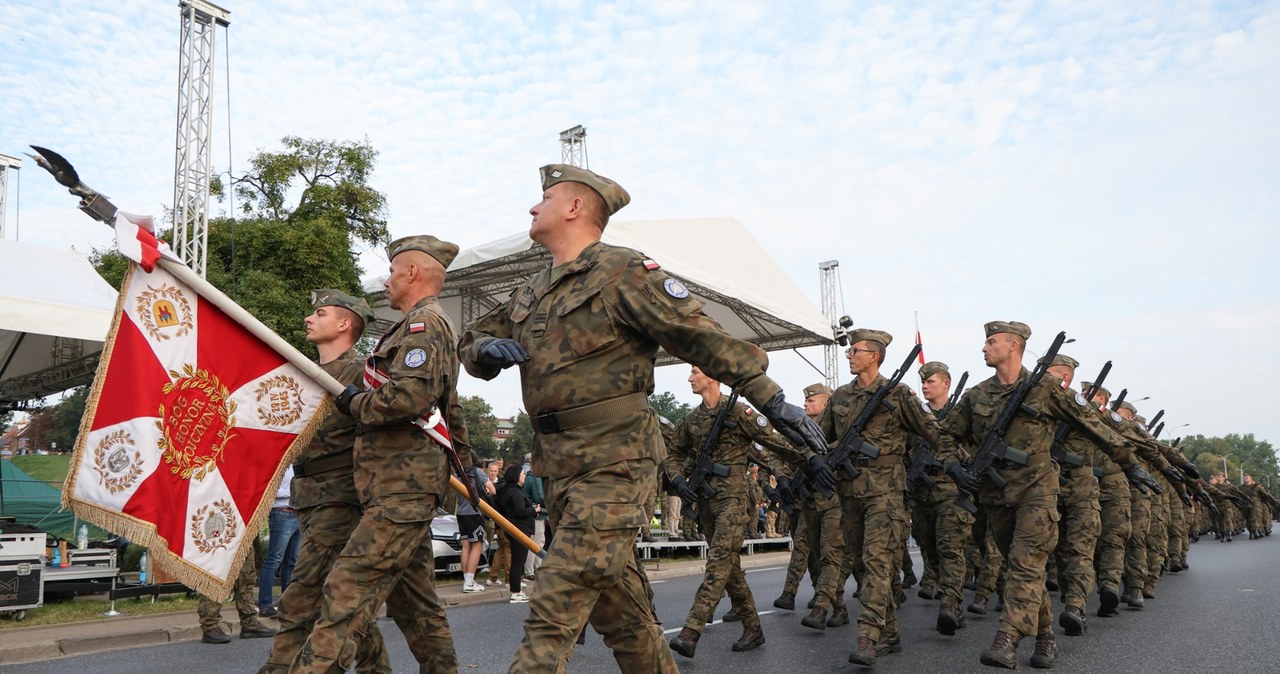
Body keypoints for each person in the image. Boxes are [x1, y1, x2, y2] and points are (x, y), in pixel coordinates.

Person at [458, 163, 834, 674]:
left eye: (542, 198)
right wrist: (484, 348)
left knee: (555, 598)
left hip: (616, 461)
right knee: (623, 615)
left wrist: (770, 397)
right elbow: (470, 341)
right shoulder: (530, 289)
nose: (531, 207)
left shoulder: (624, 271)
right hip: (559, 466)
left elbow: (697, 333)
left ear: (573, 208)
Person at [293, 235, 467, 674]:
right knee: (415, 607)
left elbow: (407, 399)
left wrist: (353, 402)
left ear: (411, 273)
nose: (387, 280)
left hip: (402, 489)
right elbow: (451, 408)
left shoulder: (424, 326)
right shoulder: (409, 326)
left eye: (392, 271)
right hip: (396, 487)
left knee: (345, 593)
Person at [941, 321, 1155, 670]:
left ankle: (1007, 639)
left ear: (1014, 346)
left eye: (991, 342)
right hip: (996, 495)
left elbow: (1092, 424)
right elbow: (946, 436)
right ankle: (1045, 637)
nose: (984, 347)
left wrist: (1130, 464)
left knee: (1025, 564)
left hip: (1038, 490)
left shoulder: (1045, 388)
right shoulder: (977, 395)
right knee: (1024, 568)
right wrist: (954, 467)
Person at [256, 290, 389, 674]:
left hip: (340, 498)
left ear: (345, 324)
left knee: (303, 595)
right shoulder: (303, 373)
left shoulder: (360, 373)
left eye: (320, 313)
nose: (308, 320)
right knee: (345, 605)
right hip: (308, 497)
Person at [821, 330, 962, 667]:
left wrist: (956, 465)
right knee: (860, 563)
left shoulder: (898, 395)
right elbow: (820, 436)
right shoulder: (840, 396)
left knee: (877, 562)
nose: (849, 354)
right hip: (849, 491)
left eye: (856, 350)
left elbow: (934, 432)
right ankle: (890, 633)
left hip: (886, 492)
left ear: (875, 356)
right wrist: (817, 460)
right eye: (849, 350)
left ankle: (867, 637)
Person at [664, 366, 815, 658]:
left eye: (695, 372)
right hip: (706, 499)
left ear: (712, 376)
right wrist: (679, 479)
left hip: (733, 498)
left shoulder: (739, 413)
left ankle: (691, 629)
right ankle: (753, 628)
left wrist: (812, 461)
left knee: (718, 559)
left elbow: (775, 443)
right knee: (729, 567)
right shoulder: (692, 419)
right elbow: (674, 454)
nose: (690, 378)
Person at [909, 361, 974, 638]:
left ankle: (950, 605)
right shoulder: (915, 417)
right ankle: (941, 590)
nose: (925, 386)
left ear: (946, 384)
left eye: (930, 382)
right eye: (923, 382)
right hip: (922, 494)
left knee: (950, 549)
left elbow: (975, 451)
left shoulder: (961, 415)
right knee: (930, 549)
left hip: (951, 490)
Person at [200, 555, 277, 644]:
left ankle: (249, 622)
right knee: (217, 574)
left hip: (243, 541)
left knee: (246, 575)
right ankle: (210, 625)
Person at [259, 465, 301, 617]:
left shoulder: (296, 464)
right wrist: (291, 493)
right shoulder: (279, 463)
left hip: (297, 513)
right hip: (281, 512)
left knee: (291, 562)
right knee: (274, 559)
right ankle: (265, 604)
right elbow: (268, 489)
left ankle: (287, 603)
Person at [497, 463, 539, 602]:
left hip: (516, 529)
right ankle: (515, 592)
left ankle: (516, 588)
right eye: (522, 474)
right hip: (519, 530)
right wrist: (534, 510)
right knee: (518, 562)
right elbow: (520, 511)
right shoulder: (515, 492)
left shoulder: (509, 491)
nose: (524, 476)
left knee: (517, 561)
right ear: (516, 476)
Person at [459, 459, 495, 592]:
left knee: (466, 545)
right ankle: (469, 582)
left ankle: (466, 579)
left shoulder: (458, 473)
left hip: (460, 512)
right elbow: (492, 489)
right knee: (477, 544)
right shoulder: (476, 472)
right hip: (474, 512)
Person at [487, 460, 512, 585]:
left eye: (495, 471)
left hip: (497, 521)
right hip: (502, 520)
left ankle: (493, 577)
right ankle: (509, 578)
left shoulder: (497, 485)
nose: (492, 473)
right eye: (491, 471)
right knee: (508, 548)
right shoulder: (501, 486)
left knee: (501, 548)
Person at [523, 457, 547, 578]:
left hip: (532, 514)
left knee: (535, 542)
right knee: (537, 543)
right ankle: (532, 570)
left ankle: (534, 569)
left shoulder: (529, 477)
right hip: (537, 515)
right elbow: (540, 498)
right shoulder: (536, 478)